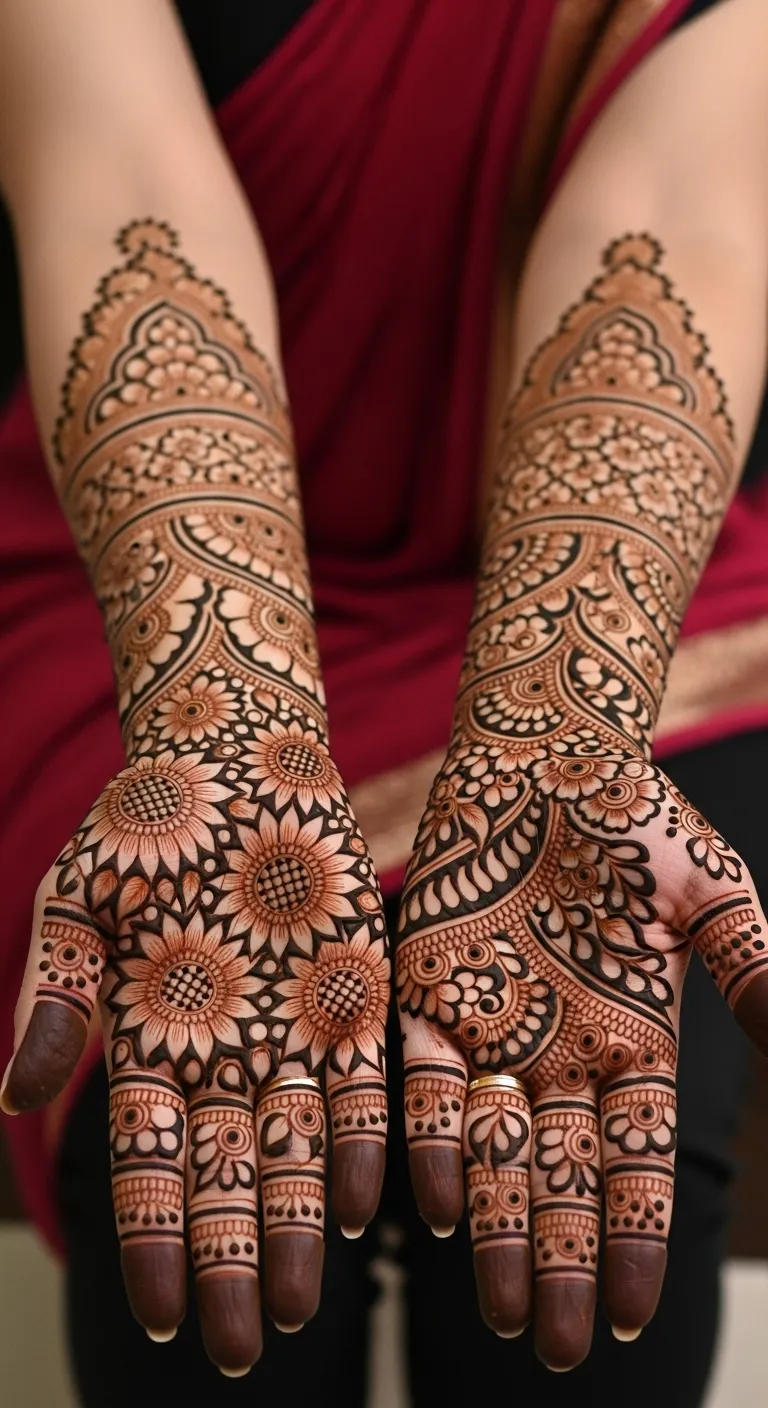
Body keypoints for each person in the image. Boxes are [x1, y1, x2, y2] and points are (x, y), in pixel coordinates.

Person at [0, 0, 767, 1404]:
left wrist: (554, 725)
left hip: (595, 582)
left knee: (564, 1241)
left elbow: (668, 214)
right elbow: (120, 192)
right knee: (188, 1183)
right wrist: (222, 724)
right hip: (159, 563)